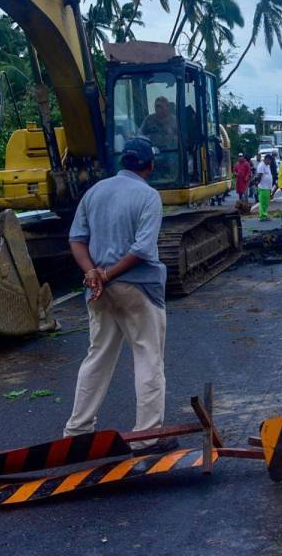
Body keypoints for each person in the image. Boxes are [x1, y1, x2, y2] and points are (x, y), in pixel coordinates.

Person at [65, 137, 173, 455]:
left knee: (97, 357)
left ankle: (77, 431)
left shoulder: (95, 192)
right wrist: (109, 273)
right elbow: (141, 249)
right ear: (149, 165)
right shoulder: (148, 197)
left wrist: (92, 272)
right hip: (138, 288)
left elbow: (76, 238)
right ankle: (147, 436)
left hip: (98, 290)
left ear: (123, 162)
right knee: (148, 357)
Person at [254, 153, 275, 221]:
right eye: (269, 160)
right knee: (263, 203)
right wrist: (257, 184)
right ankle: (263, 216)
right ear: (266, 159)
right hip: (263, 187)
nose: (270, 162)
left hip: (267, 187)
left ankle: (265, 215)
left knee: (266, 203)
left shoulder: (267, 165)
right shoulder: (261, 166)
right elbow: (259, 176)